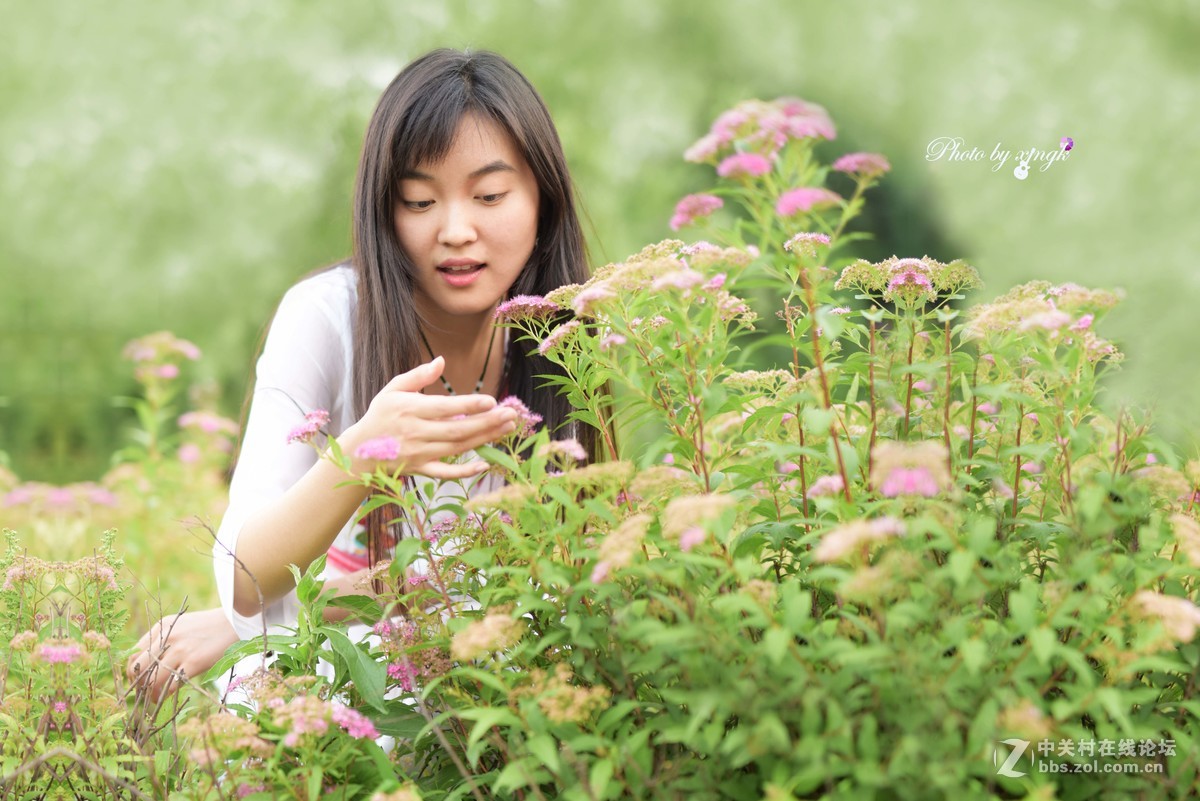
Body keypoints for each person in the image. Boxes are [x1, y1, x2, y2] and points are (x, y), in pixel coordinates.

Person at [126, 47, 593, 700]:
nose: (456, 230)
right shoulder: (324, 319)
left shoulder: (567, 335)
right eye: (419, 201)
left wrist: (247, 626)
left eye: (489, 195)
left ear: (543, 198)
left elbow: (559, 581)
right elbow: (242, 578)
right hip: (328, 705)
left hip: (493, 696)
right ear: (385, 213)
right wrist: (360, 455)